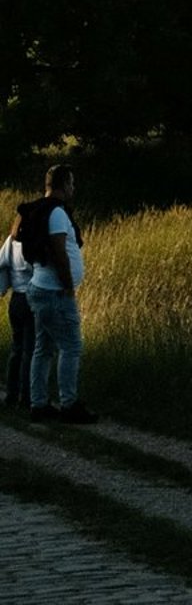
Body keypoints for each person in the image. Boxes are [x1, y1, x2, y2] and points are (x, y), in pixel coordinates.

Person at [16, 165, 97, 424]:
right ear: (63, 185)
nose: (74, 188)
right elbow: (59, 250)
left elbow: (17, 233)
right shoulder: (58, 214)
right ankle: (69, 404)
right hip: (55, 291)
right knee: (71, 347)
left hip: (38, 287)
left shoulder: (36, 209)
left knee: (44, 348)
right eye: (72, 183)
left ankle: (38, 404)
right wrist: (68, 284)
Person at [2, 208, 33, 408]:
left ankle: (11, 394)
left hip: (15, 300)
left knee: (17, 348)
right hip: (30, 299)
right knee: (29, 350)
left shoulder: (10, 242)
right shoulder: (31, 245)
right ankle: (26, 396)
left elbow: (1, 263)